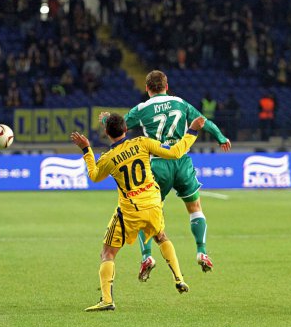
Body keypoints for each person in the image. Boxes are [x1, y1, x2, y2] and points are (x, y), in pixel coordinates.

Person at [100, 70, 231, 280]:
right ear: (166, 86)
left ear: (147, 88)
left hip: (158, 164)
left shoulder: (142, 109)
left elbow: (119, 128)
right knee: (195, 208)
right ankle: (202, 251)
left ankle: (147, 257)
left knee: (147, 215)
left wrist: (106, 119)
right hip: (182, 161)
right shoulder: (179, 102)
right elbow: (202, 121)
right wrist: (221, 136)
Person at [71, 113, 205, 312]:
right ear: (126, 129)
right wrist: (192, 130)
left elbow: (94, 176)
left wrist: (86, 149)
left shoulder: (109, 158)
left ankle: (107, 300)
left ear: (107, 133)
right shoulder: (143, 143)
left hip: (130, 211)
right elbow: (176, 152)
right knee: (161, 236)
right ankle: (179, 278)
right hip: (153, 203)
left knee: (107, 252)